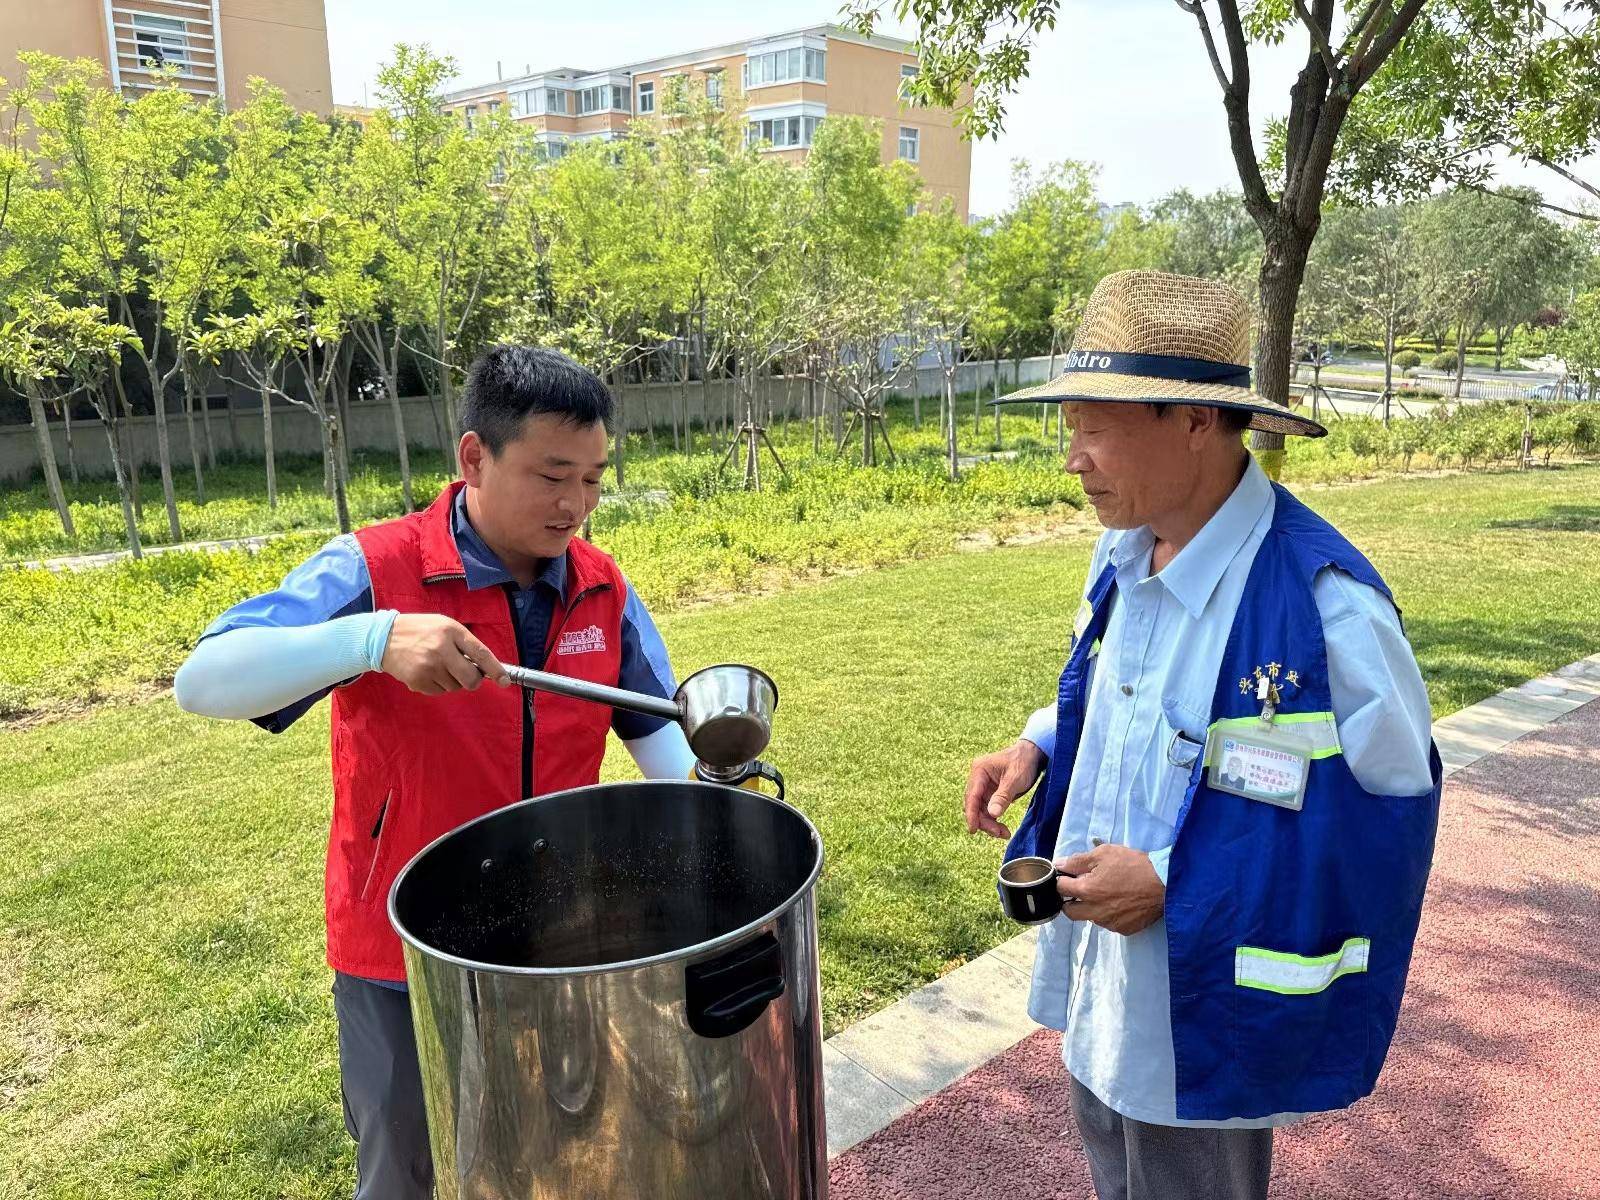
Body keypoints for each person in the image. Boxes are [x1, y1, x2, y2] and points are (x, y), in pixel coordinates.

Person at [174, 345, 699, 1200]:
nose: (576, 506)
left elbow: (665, 747)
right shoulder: (375, 567)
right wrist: (372, 640)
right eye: (552, 474)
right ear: (473, 457)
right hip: (399, 953)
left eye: (596, 478)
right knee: (406, 1174)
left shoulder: (602, 588)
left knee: (559, 1155)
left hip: (558, 944)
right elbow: (202, 680)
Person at [963, 271, 1440, 1200]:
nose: (1074, 460)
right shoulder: (1124, 551)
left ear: (1193, 422)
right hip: (1106, 976)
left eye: (1094, 429)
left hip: (1206, 1006)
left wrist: (1175, 884)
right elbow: (1117, 689)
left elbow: (1382, 834)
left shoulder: (1327, 610)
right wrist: (1042, 745)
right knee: (1110, 1156)